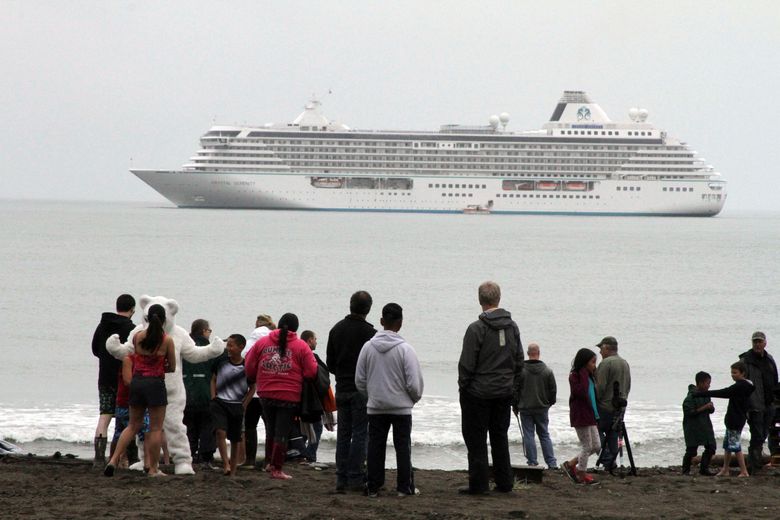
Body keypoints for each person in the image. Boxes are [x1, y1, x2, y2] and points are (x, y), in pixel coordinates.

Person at [457, 281, 523, 495]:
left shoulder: (476, 328)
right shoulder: (512, 326)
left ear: (480, 300)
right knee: (499, 437)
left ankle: (479, 484)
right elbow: (519, 360)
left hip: (479, 393)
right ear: (499, 298)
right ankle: (504, 482)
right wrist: (512, 385)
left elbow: (467, 363)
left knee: (476, 439)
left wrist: (464, 387)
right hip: (503, 391)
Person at [356, 303, 424, 497]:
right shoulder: (405, 349)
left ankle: (373, 486)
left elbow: (359, 379)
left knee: (375, 446)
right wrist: (412, 398)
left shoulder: (368, 347)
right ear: (400, 323)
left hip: (376, 406)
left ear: (381, 322)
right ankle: (404, 487)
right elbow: (414, 382)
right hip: (401, 407)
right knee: (403, 447)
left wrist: (372, 395)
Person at [104, 304, 176, 477]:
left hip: (137, 383)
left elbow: (136, 358)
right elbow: (172, 366)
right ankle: (152, 468)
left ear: (146, 318)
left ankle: (113, 460)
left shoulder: (137, 337)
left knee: (132, 425)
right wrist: (160, 366)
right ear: (164, 319)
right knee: (156, 427)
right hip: (155, 384)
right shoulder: (167, 340)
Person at [245, 313, 318, 480]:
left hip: (266, 392)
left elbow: (249, 365)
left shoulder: (262, 343)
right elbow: (311, 371)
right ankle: (276, 468)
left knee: (271, 429)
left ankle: (269, 463)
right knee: (282, 432)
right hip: (289, 394)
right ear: (296, 328)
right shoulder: (301, 346)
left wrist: (256, 377)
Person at [326, 291, 377, 492]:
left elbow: (330, 363)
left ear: (350, 305)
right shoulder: (370, 334)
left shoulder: (336, 329)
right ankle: (355, 476)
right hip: (361, 390)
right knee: (360, 433)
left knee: (344, 434)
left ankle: (341, 476)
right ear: (368, 309)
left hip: (341, 387)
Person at [91, 294, 136, 467]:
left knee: (105, 416)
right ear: (132, 309)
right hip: (124, 378)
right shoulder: (131, 328)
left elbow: (95, 349)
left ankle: (99, 458)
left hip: (104, 376)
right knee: (128, 418)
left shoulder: (102, 325)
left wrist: (105, 358)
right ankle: (127, 457)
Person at [695, 361, 755, 477]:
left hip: (735, 420)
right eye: (731, 373)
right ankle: (725, 469)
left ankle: (744, 471)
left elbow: (723, 392)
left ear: (743, 373)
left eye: (735, 373)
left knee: (735, 446)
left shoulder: (740, 386)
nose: (732, 375)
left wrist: (701, 393)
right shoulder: (745, 385)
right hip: (734, 419)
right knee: (728, 446)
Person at [210, 334, 255, 477]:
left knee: (235, 438)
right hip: (220, 403)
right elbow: (213, 379)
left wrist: (245, 403)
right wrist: (213, 397)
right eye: (227, 345)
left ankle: (233, 469)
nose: (228, 348)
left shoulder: (247, 366)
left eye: (231, 345)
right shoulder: (221, 361)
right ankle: (225, 464)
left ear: (241, 347)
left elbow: (253, 386)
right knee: (220, 432)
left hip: (237, 405)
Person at [182, 319, 220, 468]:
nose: (210, 334)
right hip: (205, 393)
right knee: (207, 426)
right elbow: (218, 365)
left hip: (186, 393)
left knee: (188, 426)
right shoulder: (209, 348)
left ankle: (189, 455)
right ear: (204, 331)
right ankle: (206, 458)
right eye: (209, 331)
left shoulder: (184, 346)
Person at [739, 331, 777, 474]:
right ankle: (754, 466)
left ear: (765, 343)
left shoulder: (770, 359)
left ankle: (756, 463)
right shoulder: (745, 361)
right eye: (755, 341)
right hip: (754, 405)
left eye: (760, 341)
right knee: (756, 435)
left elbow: (774, 380)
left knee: (763, 434)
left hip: (769, 404)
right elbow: (740, 383)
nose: (757, 344)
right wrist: (746, 406)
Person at [561, 348, 600, 485]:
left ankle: (571, 464)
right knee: (587, 446)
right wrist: (583, 372)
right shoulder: (576, 376)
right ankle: (581, 473)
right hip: (580, 415)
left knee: (596, 446)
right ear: (584, 363)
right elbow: (581, 393)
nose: (594, 365)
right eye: (592, 362)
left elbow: (593, 396)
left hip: (591, 414)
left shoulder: (590, 376)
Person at [517, 343, 557, 469]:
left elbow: (515, 390)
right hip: (542, 407)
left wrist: (515, 405)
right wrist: (549, 403)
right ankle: (551, 463)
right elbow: (553, 391)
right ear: (538, 353)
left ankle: (532, 462)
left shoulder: (521, 371)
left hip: (525, 407)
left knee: (528, 435)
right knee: (544, 434)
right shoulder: (547, 371)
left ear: (528, 354)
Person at [242, 314, 275, 468]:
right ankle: (270, 460)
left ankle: (250, 460)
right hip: (271, 389)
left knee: (250, 425)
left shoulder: (252, 339)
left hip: (254, 391)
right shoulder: (275, 339)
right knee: (271, 426)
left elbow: (245, 357)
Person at [594, 336, 631, 471]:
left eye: (601, 349)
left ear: (607, 348)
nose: (600, 352)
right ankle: (611, 462)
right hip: (621, 405)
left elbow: (600, 387)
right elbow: (628, 386)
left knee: (595, 431)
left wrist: (594, 403)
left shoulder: (606, 363)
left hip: (606, 406)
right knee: (613, 434)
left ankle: (608, 459)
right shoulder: (624, 363)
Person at [682, 371, 716, 475]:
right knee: (691, 451)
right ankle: (685, 471)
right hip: (692, 428)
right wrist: (705, 407)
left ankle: (704, 469)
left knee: (711, 447)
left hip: (705, 425)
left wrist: (711, 408)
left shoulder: (706, 395)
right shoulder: (690, 398)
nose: (709, 385)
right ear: (700, 383)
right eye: (707, 383)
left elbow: (710, 410)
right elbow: (689, 412)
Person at [300, 330, 326, 463]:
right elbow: (323, 376)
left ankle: (300, 453)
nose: (316, 341)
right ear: (309, 340)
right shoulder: (312, 357)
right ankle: (310, 455)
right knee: (316, 427)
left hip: (298, 398)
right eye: (315, 339)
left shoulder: (296, 355)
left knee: (302, 428)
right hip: (312, 399)